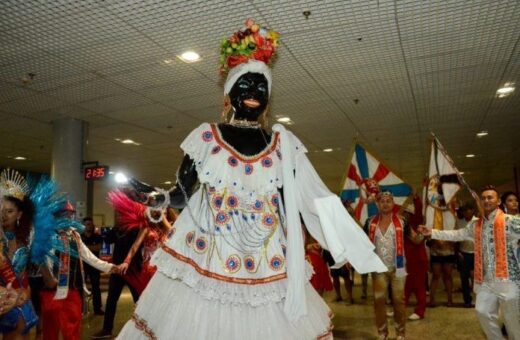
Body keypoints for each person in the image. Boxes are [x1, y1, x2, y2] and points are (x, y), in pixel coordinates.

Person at [116, 18, 386, 340]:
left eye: (262, 86)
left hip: (267, 262)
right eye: (246, 84)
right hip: (207, 258)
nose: (254, 92)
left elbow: (309, 200)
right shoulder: (206, 137)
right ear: (229, 93)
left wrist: (345, 241)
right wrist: (158, 198)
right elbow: (182, 194)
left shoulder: (283, 145)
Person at [419, 186, 520, 339]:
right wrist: (432, 232)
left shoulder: (510, 221)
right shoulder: (476, 224)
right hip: (486, 279)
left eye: (490, 197)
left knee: (512, 322)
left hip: (508, 279)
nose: (486, 200)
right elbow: (458, 234)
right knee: (482, 311)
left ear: (498, 201)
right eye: (483, 198)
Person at [38, 202, 117, 340]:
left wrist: (109, 267)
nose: (68, 217)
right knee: (51, 328)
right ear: (57, 216)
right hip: (52, 291)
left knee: (73, 328)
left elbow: (89, 257)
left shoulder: (75, 235)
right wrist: (49, 278)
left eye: (70, 214)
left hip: (73, 290)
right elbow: (41, 259)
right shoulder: (48, 233)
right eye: (65, 214)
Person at [0, 169, 39, 339]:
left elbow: (25, 280)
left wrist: (24, 295)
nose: (3, 215)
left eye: (9, 211)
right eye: (1, 210)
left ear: (19, 214)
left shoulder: (25, 240)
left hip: (21, 304)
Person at [364, 192, 407, 340]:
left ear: (393, 203)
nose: (385, 203)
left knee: (399, 301)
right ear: (378, 204)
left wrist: (422, 235)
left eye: (389, 201)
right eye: (382, 201)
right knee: (379, 301)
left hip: (398, 268)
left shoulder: (402, 222)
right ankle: (382, 333)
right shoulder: (369, 223)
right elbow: (363, 243)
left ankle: (400, 334)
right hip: (378, 270)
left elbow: (414, 238)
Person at [91, 225, 142, 339]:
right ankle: (107, 329)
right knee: (111, 299)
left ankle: (143, 328)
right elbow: (108, 240)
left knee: (138, 300)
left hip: (133, 269)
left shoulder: (136, 227)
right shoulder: (118, 228)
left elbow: (138, 245)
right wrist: (116, 228)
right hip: (117, 269)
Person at [404, 193, 428, 321]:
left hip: (418, 260)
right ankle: (401, 307)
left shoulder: (417, 224)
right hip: (408, 261)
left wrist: (416, 198)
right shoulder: (405, 225)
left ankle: (420, 311)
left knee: (419, 286)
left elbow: (419, 210)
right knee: (407, 285)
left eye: (407, 213)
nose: (404, 215)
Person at [81, 217, 105, 315]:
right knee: (81, 287)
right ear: (84, 225)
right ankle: (81, 309)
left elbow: (98, 247)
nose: (89, 226)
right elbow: (79, 249)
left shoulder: (97, 236)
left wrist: (84, 248)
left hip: (94, 265)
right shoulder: (80, 237)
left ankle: (97, 309)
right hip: (82, 265)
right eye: (87, 224)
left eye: (90, 224)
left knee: (96, 287)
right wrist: (91, 248)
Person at [455, 204, 476, 308]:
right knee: (464, 278)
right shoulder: (459, 222)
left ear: (472, 210)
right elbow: (455, 237)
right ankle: (467, 300)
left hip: (476, 253)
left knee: (477, 278)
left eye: (468, 210)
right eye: (464, 211)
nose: (466, 213)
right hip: (463, 253)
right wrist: (457, 252)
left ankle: (479, 299)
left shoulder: (478, 221)